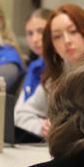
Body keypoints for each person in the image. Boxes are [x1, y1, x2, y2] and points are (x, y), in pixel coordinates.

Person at [15, 3, 84, 139]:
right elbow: (21, 114)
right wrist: (43, 127)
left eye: (73, 32)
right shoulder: (56, 74)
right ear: (52, 45)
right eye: (57, 36)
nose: (66, 41)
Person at [13, 8, 51, 140]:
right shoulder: (34, 66)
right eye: (30, 33)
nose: (35, 39)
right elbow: (18, 114)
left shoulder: (60, 68)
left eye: (41, 31)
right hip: (30, 135)